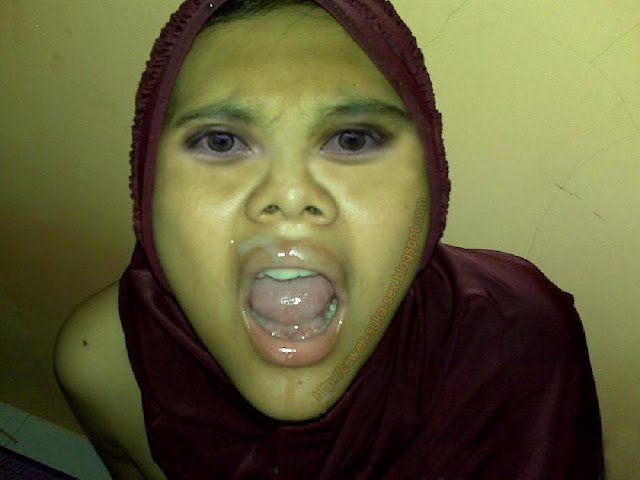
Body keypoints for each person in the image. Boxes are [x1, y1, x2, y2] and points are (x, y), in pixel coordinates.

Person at [53, 0, 605, 478]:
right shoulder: (103, 364)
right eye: (221, 142)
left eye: (352, 139)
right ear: (147, 192)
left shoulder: (524, 340)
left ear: (433, 186)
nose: (290, 194)